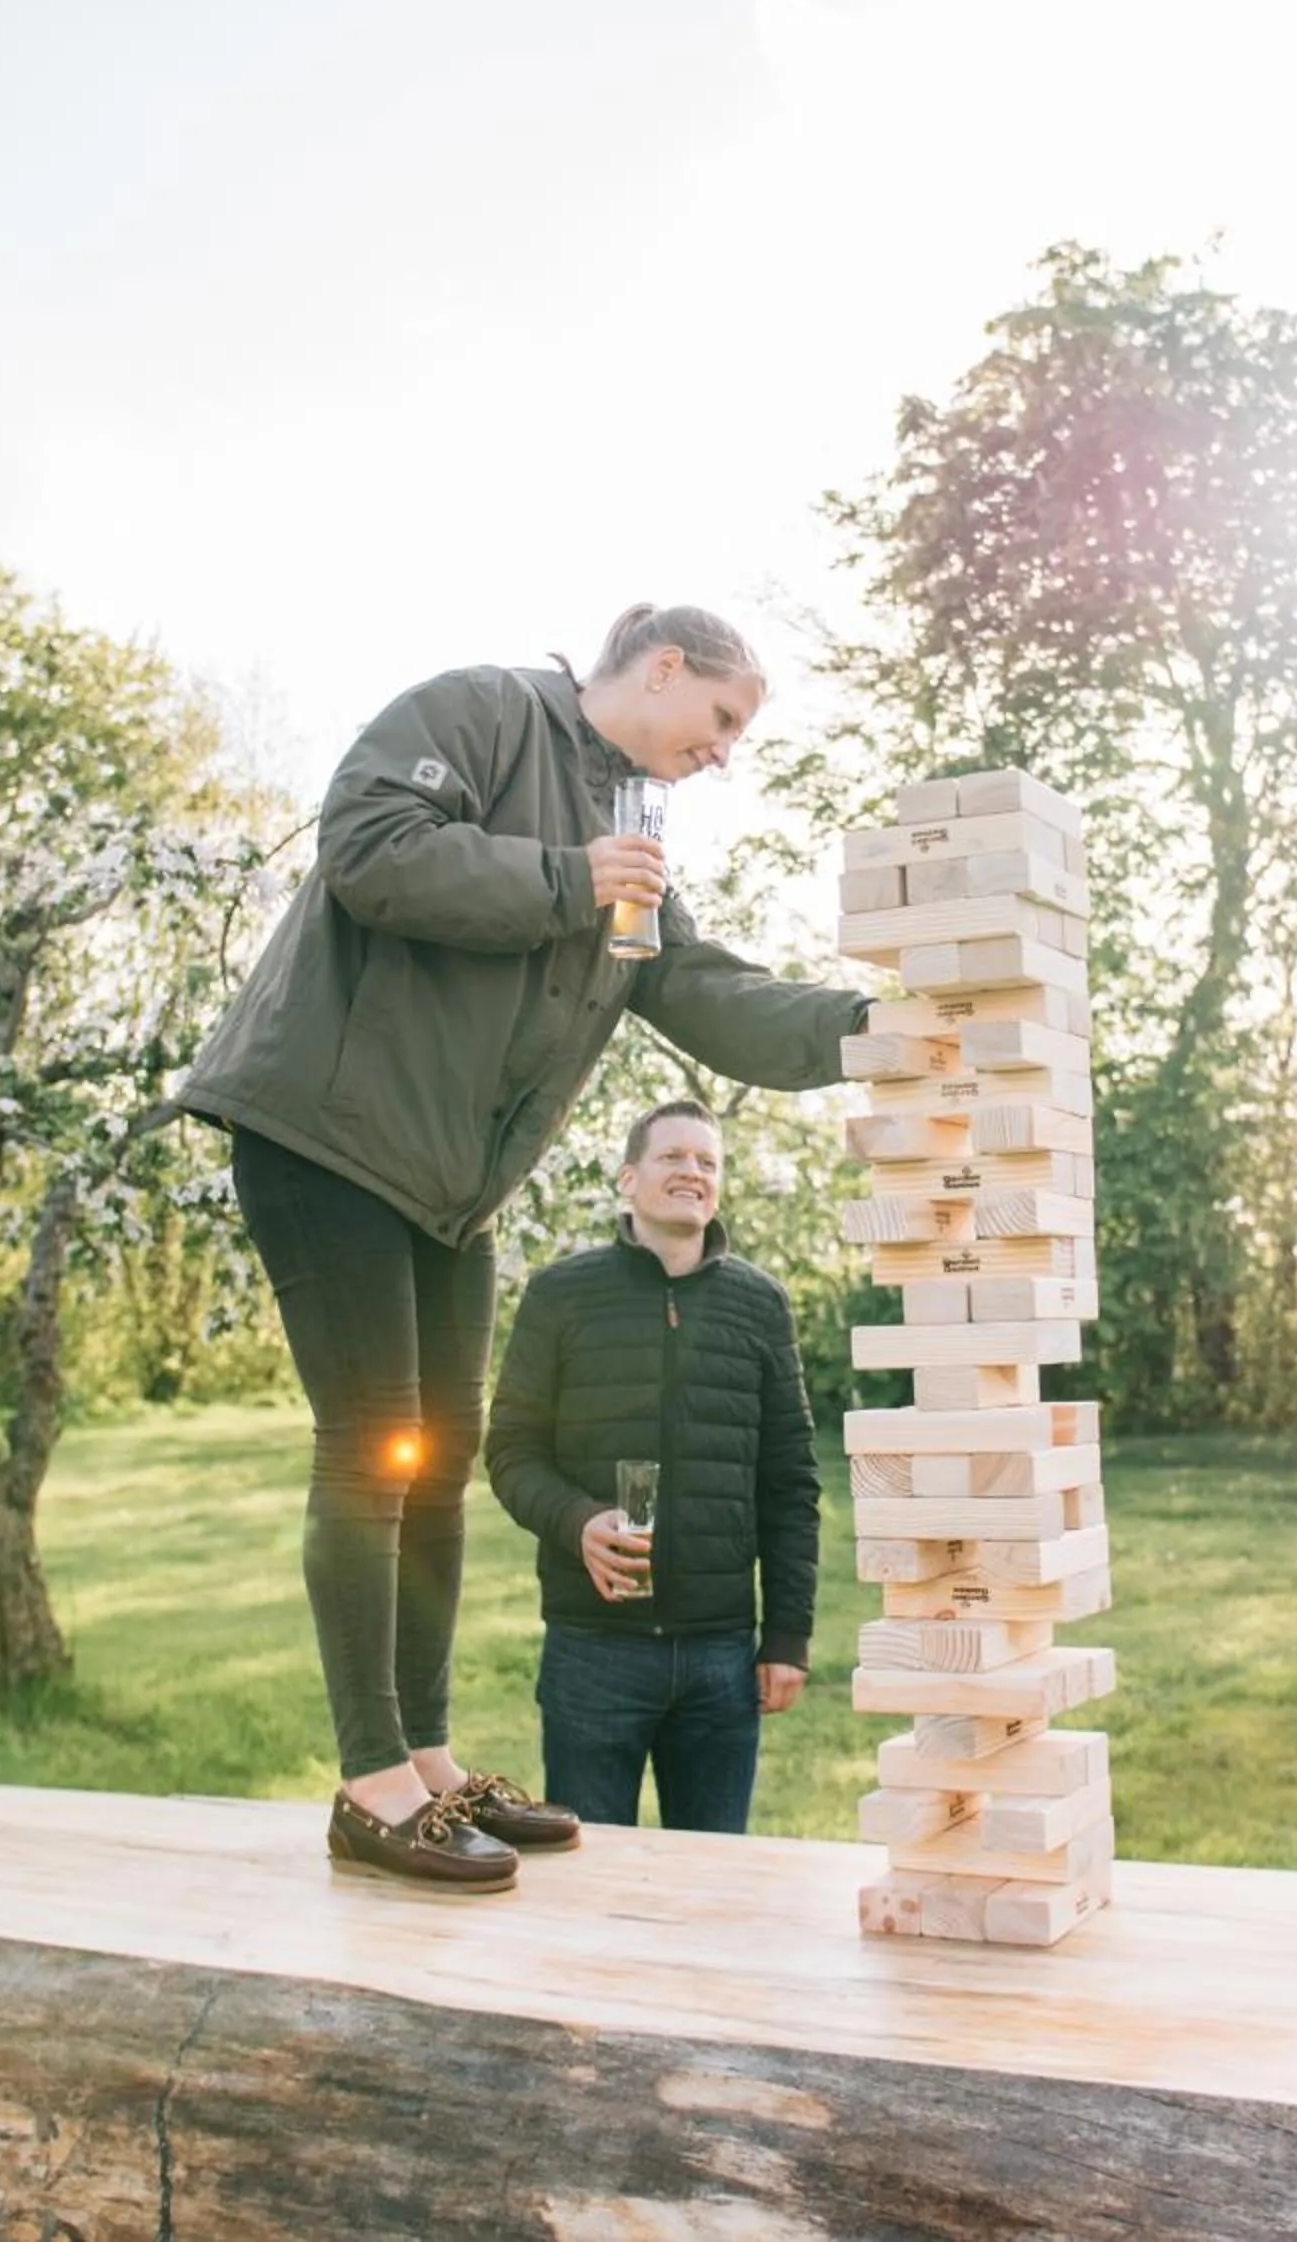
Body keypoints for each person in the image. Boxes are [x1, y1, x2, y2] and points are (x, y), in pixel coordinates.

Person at [176, 605, 869, 1890]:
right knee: (372, 1446)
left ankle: (427, 1761)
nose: (725, 752)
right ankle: (369, 1781)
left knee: (434, 1463)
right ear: (665, 667)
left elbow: (700, 987)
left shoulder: (635, 831)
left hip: (447, 1187)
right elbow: (371, 849)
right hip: (326, 1132)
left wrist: (871, 1028)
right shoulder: (484, 711)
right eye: (722, 718)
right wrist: (569, 879)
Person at [485, 1098, 819, 1834]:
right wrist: (578, 1523)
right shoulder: (559, 1296)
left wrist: (787, 1637)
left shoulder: (760, 1306)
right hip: (593, 1651)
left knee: (712, 1887)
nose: (692, 1172)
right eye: (673, 1157)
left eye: (708, 1162)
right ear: (628, 1178)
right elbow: (509, 1450)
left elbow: (790, 1484)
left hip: (722, 1659)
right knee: (589, 1876)